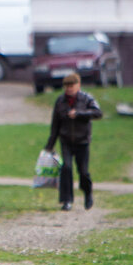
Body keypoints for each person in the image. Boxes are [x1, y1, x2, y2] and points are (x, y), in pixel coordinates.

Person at [44, 72, 102, 211]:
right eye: (66, 86)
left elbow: (98, 113)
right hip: (66, 141)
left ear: (78, 85)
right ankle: (67, 200)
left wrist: (79, 114)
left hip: (83, 141)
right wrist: (49, 146)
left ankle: (88, 192)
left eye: (72, 86)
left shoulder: (87, 99)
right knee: (66, 168)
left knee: (83, 172)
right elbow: (55, 125)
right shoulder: (60, 101)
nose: (69, 89)